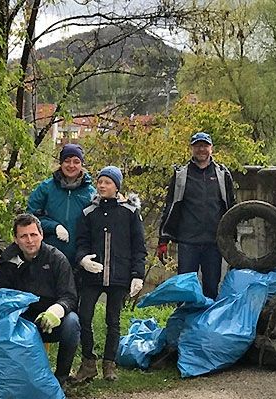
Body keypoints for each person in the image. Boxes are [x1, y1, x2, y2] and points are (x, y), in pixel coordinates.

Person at [73, 166, 147, 382]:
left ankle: (109, 364)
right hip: (92, 276)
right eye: (100, 182)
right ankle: (88, 362)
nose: (102, 186)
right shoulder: (89, 212)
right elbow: (81, 242)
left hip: (119, 275)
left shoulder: (130, 213)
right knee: (83, 316)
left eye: (107, 182)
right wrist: (83, 259)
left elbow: (139, 246)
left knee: (112, 320)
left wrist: (137, 274)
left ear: (117, 186)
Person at [0, 213, 80, 385]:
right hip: (20, 321)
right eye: (24, 236)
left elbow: (69, 296)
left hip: (49, 319)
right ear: (16, 239)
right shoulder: (8, 261)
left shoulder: (57, 259)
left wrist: (56, 311)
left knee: (72, 322)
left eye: (33, 235)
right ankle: (10, 380)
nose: (30, 240)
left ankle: (60, 379)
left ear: (42, 235)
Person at [157, 132, 236, 300]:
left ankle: (207, 325)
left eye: (205, 146)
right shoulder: (181, 175)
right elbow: (170, 206)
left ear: (211, 148)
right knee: (185, 290)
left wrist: (232, 240)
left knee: (211, 289)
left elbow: (232, 207)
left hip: (214, 243)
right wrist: (163, 239)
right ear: (192, 148)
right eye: (198, 146)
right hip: (188, 242)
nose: (201, 149)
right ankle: (184, 325)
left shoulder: (222, 174)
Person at [26, 143, 96, 266]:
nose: (71, 165)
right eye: (67, 161)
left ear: (82, 164)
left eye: (76, 161)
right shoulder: (46, 188)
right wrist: (54, 227)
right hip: (47, 257)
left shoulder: (90, 193)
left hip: (78, 259)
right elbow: (31, 217)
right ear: (61, 163)